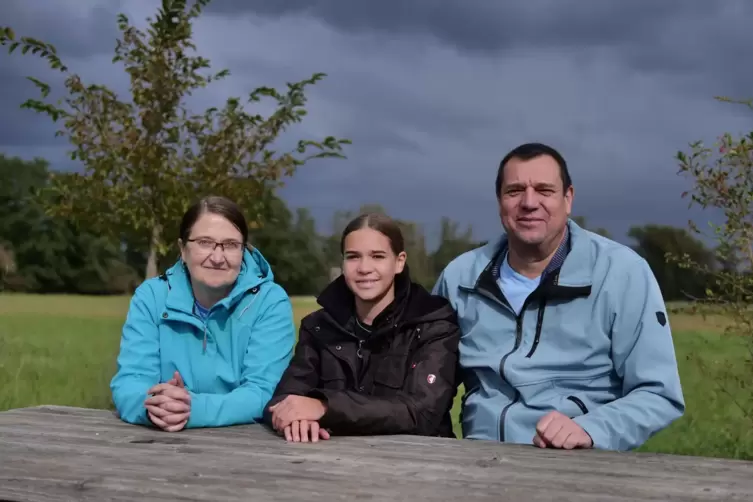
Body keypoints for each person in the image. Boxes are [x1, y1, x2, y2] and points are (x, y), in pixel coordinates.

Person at [433, 142, 685, 451]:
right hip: (479, 460)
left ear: (568, 199)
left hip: (577, 465)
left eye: (544, 190)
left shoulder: (622, 273)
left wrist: (590, 430)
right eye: (514, 191)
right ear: (499, 201)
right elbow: (426, 379)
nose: (529, 202)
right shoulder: (461, 278)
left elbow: (658, 393)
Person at [264, 213, 461, 442]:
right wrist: (297, 419)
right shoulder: (319, 327)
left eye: (377, 256)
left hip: (418, 463)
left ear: (399, 262)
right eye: (353, 257)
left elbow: (422, 412)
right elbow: (284, 399)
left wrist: (325, 407)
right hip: (333, 463)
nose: (364, 268)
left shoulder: (433, 324)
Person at [110, 196, 296, 432]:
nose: (217, 258)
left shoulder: (270, 301)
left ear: (243, 250)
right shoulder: (151, 296)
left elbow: (263, 391)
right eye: (205, 243)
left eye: (230, 245)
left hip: (245, 446)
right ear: (183, 249)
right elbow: (130, 379)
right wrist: (152, 408)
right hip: (159, 444)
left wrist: (191, 408)